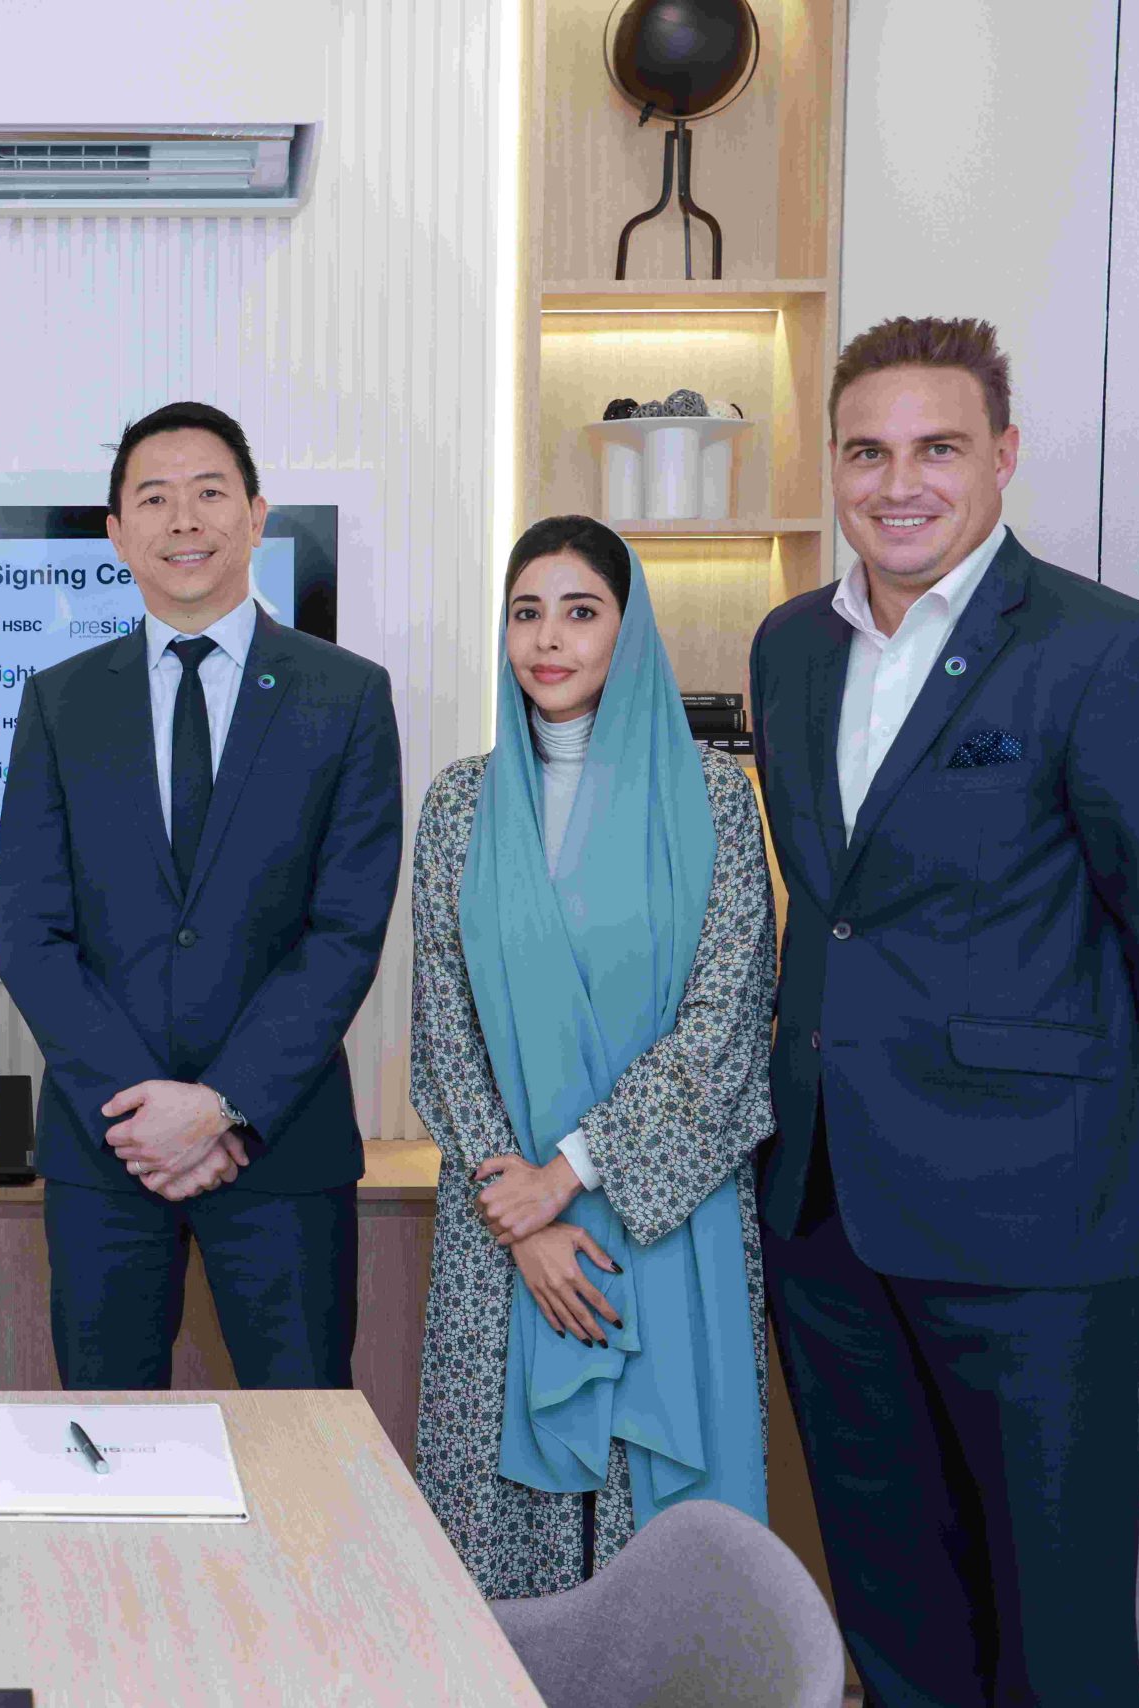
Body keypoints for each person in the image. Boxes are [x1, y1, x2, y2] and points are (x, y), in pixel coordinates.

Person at [751, 316, 1139, 1706]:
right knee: (896, 1624)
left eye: (938, 448)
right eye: (866, 451)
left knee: (1060, 1634)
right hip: (828, 1213)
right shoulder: (790, 647)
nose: (897, 483)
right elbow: (834, 912)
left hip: (1041, 1228)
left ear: (1003, 456)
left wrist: (1085, 1111)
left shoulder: (1107, 651)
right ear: (833, 464)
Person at [0, 401, 402, 1390]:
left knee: (301, 1443)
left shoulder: (345, 695)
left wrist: (222, 1105)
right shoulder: (58, 701)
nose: (183, 519)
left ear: (256, 516)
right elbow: (31, 933)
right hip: (109, 1152)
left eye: (209, 492)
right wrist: (148, 1118)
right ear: (116, 532)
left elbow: (344, 931)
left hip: (280, 1147)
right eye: (154, 498)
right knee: (104, 1440)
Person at [408, 516, 773, 1598]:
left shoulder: (713, 797)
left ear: (630, 627)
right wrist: (521, 1215)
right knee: (502, 1549)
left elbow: (725, 1020)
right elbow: (443, 1029)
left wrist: (566, 1173)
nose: (548, 638)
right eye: (526, 613)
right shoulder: (459, 804)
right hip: (502, 1230)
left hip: (665, 1214)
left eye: (580, 611)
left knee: (662, 1568)